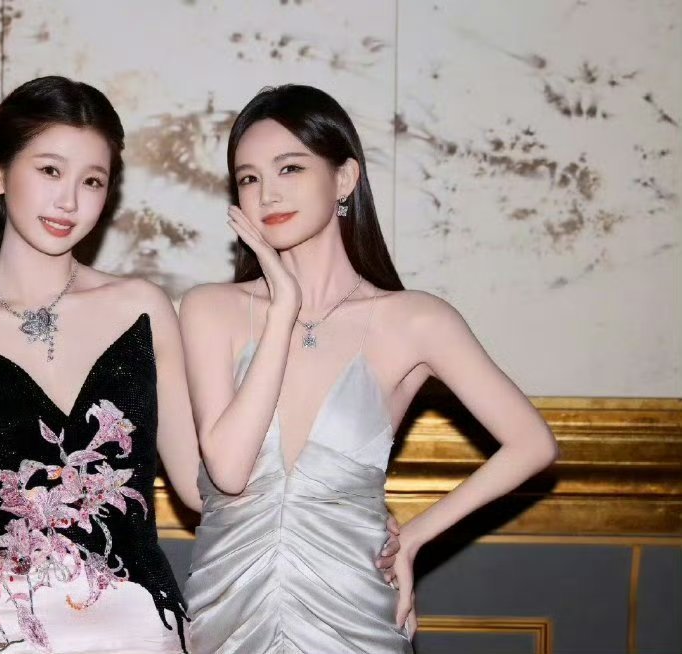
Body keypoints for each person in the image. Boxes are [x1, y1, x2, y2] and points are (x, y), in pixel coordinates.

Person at [180, 84, 559, 654]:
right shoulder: (211, 309)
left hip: (352, 618)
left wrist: (415, 537)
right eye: (249, 178)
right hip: (228, 624)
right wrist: (282, 309)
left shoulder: (414, 320)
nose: (267, 193)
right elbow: (230, 473)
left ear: (345, 179)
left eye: (290, 168)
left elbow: (532, 444)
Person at [0, 76, 202, 654]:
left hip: (145, 630)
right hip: (10, 636)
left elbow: (200, 487)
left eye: (92, 180)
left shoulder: (142, 307)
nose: (69, 201)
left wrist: (330, 504)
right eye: (50, 171)